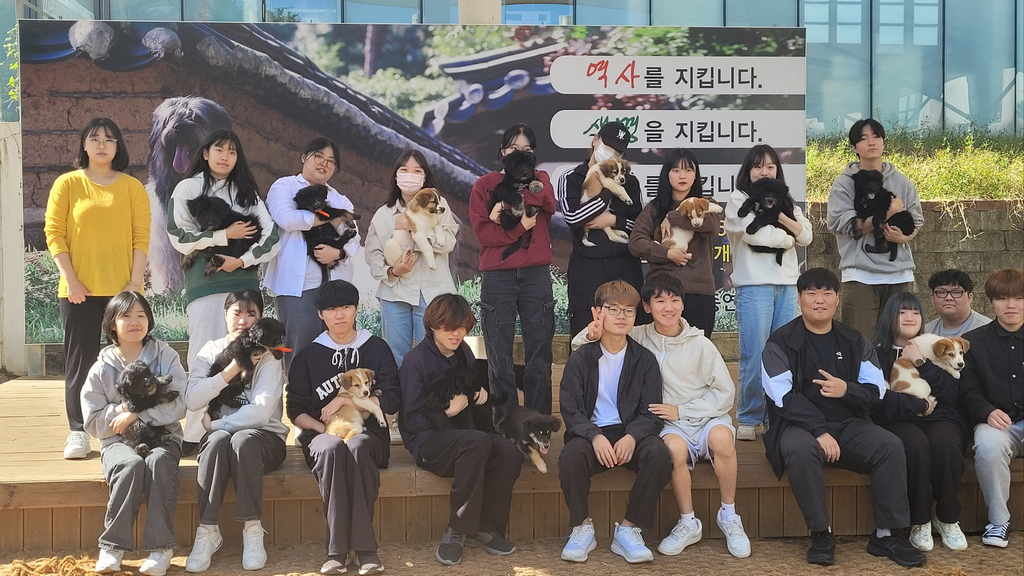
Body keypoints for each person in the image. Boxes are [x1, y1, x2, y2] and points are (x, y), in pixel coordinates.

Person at [571, 274, 749, 558]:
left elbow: (725, 393)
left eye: (675, 300)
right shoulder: (638, 335)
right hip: (669, 424)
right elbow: (593, 343)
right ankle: (688, 522)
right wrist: (589, 335)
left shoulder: (701, 344)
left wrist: (684, 410)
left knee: (722, 439)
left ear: (683, 305)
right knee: (671, 450)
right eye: (660, 301)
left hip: (703, 417)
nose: (668, 308)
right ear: (647, 306)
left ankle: (729, 515)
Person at [761, 267, 925, 567]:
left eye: (827, 293)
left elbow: (876, 390)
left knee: (889, 446)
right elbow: (781, 396)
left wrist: (846, 389)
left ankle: (887, 534)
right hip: (799, 426)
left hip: (849, 423)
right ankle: (821, 533)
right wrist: (819, 430)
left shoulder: (854, 340)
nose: (819, 300)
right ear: (799, 298)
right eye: (811, 293)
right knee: (800, 451)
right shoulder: (780, 342)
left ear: (837, 299)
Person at [167, 129, 281, 453]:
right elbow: (178, 235)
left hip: (244, 287)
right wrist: (223, 235)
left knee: (250, 354)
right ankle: (195, 433)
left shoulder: (246, 194)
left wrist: (241, 260)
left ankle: (240, 425)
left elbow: (271, 239)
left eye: (232, 152)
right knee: (203, 355)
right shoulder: (188, 188)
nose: (225, 157)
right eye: (219, 149)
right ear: (205, 153)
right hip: (204, 287)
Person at [44, 117, 150, 460]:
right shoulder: (68, 184)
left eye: (109, 139)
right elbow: (54, 233)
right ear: (84, 145)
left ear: (118, 146)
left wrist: (133, 285)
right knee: (82, 361)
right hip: (79, 292)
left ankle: (124, 425)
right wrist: (71, 279)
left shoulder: (132, 187)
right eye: (95, 138)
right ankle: (78, 430)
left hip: (123, 293)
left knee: (126, 362)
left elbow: (141, 237)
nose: (102, 144)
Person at [398, 294, 522, 566]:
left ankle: (486, 528)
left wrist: (480, 396)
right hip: (427, 442)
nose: (457, 334)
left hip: (465, 436)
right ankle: (457, 529)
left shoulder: (464, 352)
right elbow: (410, 420)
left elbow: (469, 394)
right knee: (476, 442)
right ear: (433, 326)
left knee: (508, 451)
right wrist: (447, 413)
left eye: (463, 327)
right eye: (449, 328)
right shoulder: (414, 361)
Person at [287, 280, 400, 574]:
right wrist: (323, 430)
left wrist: (346, 400)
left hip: (369, 435)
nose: (339, 315)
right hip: (322, 435)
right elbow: (295, 410)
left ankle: (363, 550)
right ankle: (337, 550)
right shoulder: (308, 356)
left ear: (357, 309)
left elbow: (392, 399)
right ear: (320, 314)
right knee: (333, 448)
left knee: (358, 445)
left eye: (346, 307)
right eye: (331, 309)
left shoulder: (376, 348)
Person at [558, 280, 672, 564]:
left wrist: (633, 436)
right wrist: (594, 435)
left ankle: (630, 529)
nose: (622, 316)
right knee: (571, 457)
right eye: (613, 309)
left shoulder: (644, 360)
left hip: (631, 432)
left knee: (659, 455)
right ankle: (582, 527)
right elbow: (570, 409)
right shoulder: (581, 359)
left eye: (629, 310)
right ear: (598, 312)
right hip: (591, 433)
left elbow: (651, 411)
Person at [80, 291, 187, 576]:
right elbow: (92, 420)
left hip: (163, 435)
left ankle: (161, 548)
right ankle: (112, 547)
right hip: (117, 440)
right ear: (111, 324)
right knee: (129, 465)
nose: (134, 321)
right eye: (125, 316)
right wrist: (122, 411)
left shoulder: (166, 355)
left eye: (141, 315)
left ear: (149, 320)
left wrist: (138, 414)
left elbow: (179, 403)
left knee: (159, 462)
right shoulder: (101, 367)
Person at [183, 289, 289, 572]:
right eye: (237, 312)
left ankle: (253, 529)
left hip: (265, 438)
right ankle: (207, 531)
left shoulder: (269, 355)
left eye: (251, 313)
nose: (243, 320)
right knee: (217, 441)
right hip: (222, 440)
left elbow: (262, 412)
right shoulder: (210, 350)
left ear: (260, 318)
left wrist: (217, 423)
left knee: (241, 439)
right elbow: (192, 400)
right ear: (225, 315)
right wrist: (230, 371)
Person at [725, 144, 813, 441]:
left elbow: (807, 235)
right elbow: (757, 234)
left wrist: (784, 220)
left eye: (770, 166)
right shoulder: (738, 199)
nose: (764, 171)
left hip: (787, 286)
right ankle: (750, 417)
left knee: (783, 355)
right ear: (748, 170)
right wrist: (789, 239)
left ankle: (777, 415)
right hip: (754, 286)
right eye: (758, 166)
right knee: (755, 354)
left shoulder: (786, 200)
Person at [468, 123, 556, 413]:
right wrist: (520, 227)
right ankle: (506, 425)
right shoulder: (484, 184)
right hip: (498, 276)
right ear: (502, 151)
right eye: (514, 148)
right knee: (499, 357)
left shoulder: (541, 178)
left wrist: (504, 206)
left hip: (536, 275)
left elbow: (548, 201)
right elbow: (485, 233)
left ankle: (538, 425)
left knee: (540, 356)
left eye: (527, 149)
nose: (520, 154)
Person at [871, 292, 968, 552]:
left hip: (940, 416)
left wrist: (920, 362)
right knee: (915, 446)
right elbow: (879, 400)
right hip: (898, 419)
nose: (910, 317)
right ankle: (920, 520)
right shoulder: (876, 353)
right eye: (902, 312)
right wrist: (920, 406)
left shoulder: (935, 345)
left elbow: (950, 392)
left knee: (946, 442)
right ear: (889, 317)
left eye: (915, 312)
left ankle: (948, 518)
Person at [265, 138, 361, 373]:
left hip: (335, 287)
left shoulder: (339, 198)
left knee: (340, 354)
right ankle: (298, 397)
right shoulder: (285, 186)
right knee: (300, 352)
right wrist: (332, 218)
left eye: (331, 161)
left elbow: (354, 236)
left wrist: (338, 252)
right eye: (318, 156)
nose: (324, 163)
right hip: (297, 288)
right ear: (304, 157)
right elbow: (288, 219)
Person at [826, 118, 924, 339]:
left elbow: (917, 221)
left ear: (883, 142)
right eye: (863, 138)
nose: (871, 142)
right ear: (854, 147)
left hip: (899, 275)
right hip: (860, 275)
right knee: (861, 344)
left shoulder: (902, 182)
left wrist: (903, 237)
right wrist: (889, 212)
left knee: (902, 343)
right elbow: (847, 225)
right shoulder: (844, 183)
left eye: (876, 136)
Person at [364, 149, 459, 366]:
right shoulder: (383, 213)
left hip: (432, 293)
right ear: (396, 175)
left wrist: (414, 229)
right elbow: (372, 254)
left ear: (425, 177)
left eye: (417, 171)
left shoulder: (439, 205)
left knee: (434, 357)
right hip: (394, 294)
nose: (410, 175)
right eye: (404, 170)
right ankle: (401, 390)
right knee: (397, 358)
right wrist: (392, 271)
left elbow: (449, 242)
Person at [558, 121, 646, 336]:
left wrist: (613, 220)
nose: (610, 154)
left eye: (617, 152)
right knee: (586, 333)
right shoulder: (571, 178)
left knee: (629, 334)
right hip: (587, 267)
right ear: (595, 140)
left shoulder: (630, 182)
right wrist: (606, 187)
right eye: (608, 146)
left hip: (625, 266)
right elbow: (573, 217)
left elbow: (640, 228)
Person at [958, 267, 1024, 548]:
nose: (1011, 305)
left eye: (1019, 298)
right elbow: (967, 390)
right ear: (990, 301)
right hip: (998, 423)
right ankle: (998, 521)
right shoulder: (974, 341)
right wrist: (986, 411)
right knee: (987, 446)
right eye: (1002, 298)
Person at [628, 148, 721, 336]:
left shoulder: (705, 204)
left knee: (696, 350)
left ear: (696, 175)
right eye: (676, 170)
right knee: (656, 351)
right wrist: (667, 253)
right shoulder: (654, 208)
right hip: (661, 293)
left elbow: (711, 226)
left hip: (699, 292)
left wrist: (672, 217)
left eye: (688, 170)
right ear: (667, 174)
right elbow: (636, 243)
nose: (682, 175)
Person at [924, 269, 991, 337]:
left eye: (956, 292)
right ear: (932, 298)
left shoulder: (988, 330)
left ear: (969, 297)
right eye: (942, 292)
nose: (949, 298)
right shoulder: (926, 332)